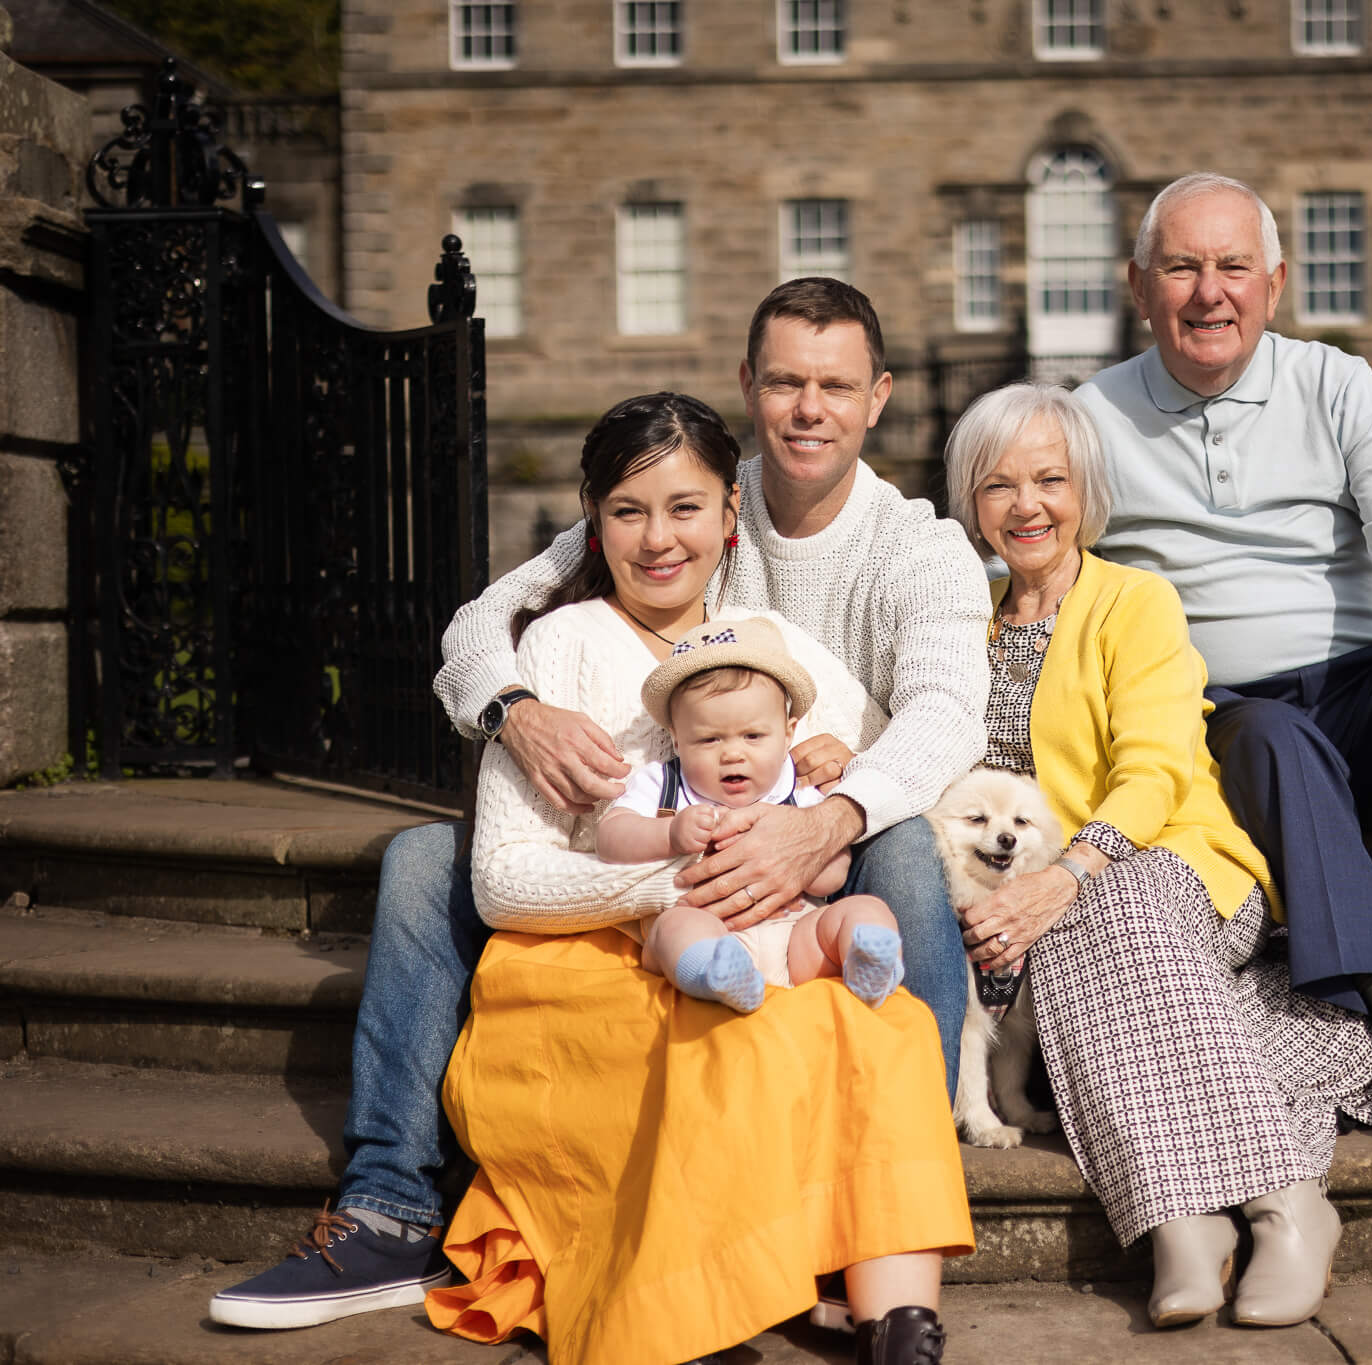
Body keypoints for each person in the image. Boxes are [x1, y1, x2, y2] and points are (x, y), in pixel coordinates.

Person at [209, 278, 989, 1331]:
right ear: (748, 386)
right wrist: (516, 711)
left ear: (879, 396)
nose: (809, 409)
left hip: (831, 812)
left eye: (836, 386)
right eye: (786, 382)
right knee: (421, 863)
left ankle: (891, 1203)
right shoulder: (679, 487)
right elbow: (485, 625)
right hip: (653, 834)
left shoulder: (915, 547)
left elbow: (941, 722)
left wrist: (826, 812)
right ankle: (390, 1203)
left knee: (896, 865)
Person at [424, 391, 969, 1365]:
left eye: (684, 508)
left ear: (730, 519)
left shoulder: (765, 641)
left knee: (876, 1023)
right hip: (584, 953)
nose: (657, 538)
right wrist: (674, 880)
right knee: (725, 1036)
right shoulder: (558, 645)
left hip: (753, 932)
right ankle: (695, 1302)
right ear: (593, 527)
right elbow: (504, 884)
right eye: (628, 512)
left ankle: (897, 1310)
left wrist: (839, 759)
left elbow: (886, 746)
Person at [1075, 173, 1372, 1139]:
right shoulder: (1090, 418)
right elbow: (1032, 542)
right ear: (1140, 286)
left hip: (1357, 679)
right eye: (1181, 267)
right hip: (1224, 714)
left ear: (1275, 282)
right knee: (1269, 737)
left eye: (1232, 266)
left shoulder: (1334, 382)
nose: (1209, 291)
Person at [943, 382, 1372, 1330]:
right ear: (970, 502)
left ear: (1086, 491)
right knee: (1063, 939)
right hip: (1023, 885)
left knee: (1101, 913)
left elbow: (1152, 772)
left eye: (1050, 479)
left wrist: (1069, 872)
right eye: (999, 485)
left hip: (1175, 861)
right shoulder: (959, 621)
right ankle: (1186, 1220)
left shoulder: (1133, 601)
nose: (1027, 506)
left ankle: (1285, 1204)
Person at [598, 616, 903, 1012]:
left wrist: (801, 862)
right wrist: (669, 834)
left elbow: (835, 870)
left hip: (796, 937)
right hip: (710, 925)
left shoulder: (799, 787)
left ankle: (869, 959)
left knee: (863, 910)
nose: (733, 753)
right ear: (676, 738)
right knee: (675, 929)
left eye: (753, 736)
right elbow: (610, 837)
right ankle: (715, 974)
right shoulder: (665, 783)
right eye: (709, 739)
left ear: (788, 732)